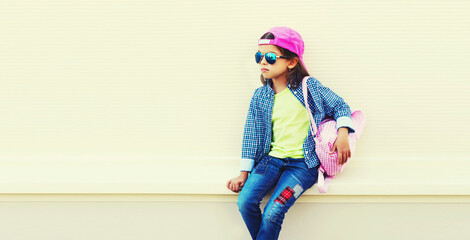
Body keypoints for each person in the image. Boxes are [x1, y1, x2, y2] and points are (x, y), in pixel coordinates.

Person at [226, 26, 356, 240]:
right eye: (259, 56)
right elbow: (251, 135)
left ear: (292, 61)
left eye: (270, 57)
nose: (262, 62)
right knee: (244, 202)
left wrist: (343, 133)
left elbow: (340, 106)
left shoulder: (309, 87)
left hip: (303, 165)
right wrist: (243, 173)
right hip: (271, 161)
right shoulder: (260, 96)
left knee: (273, 212)